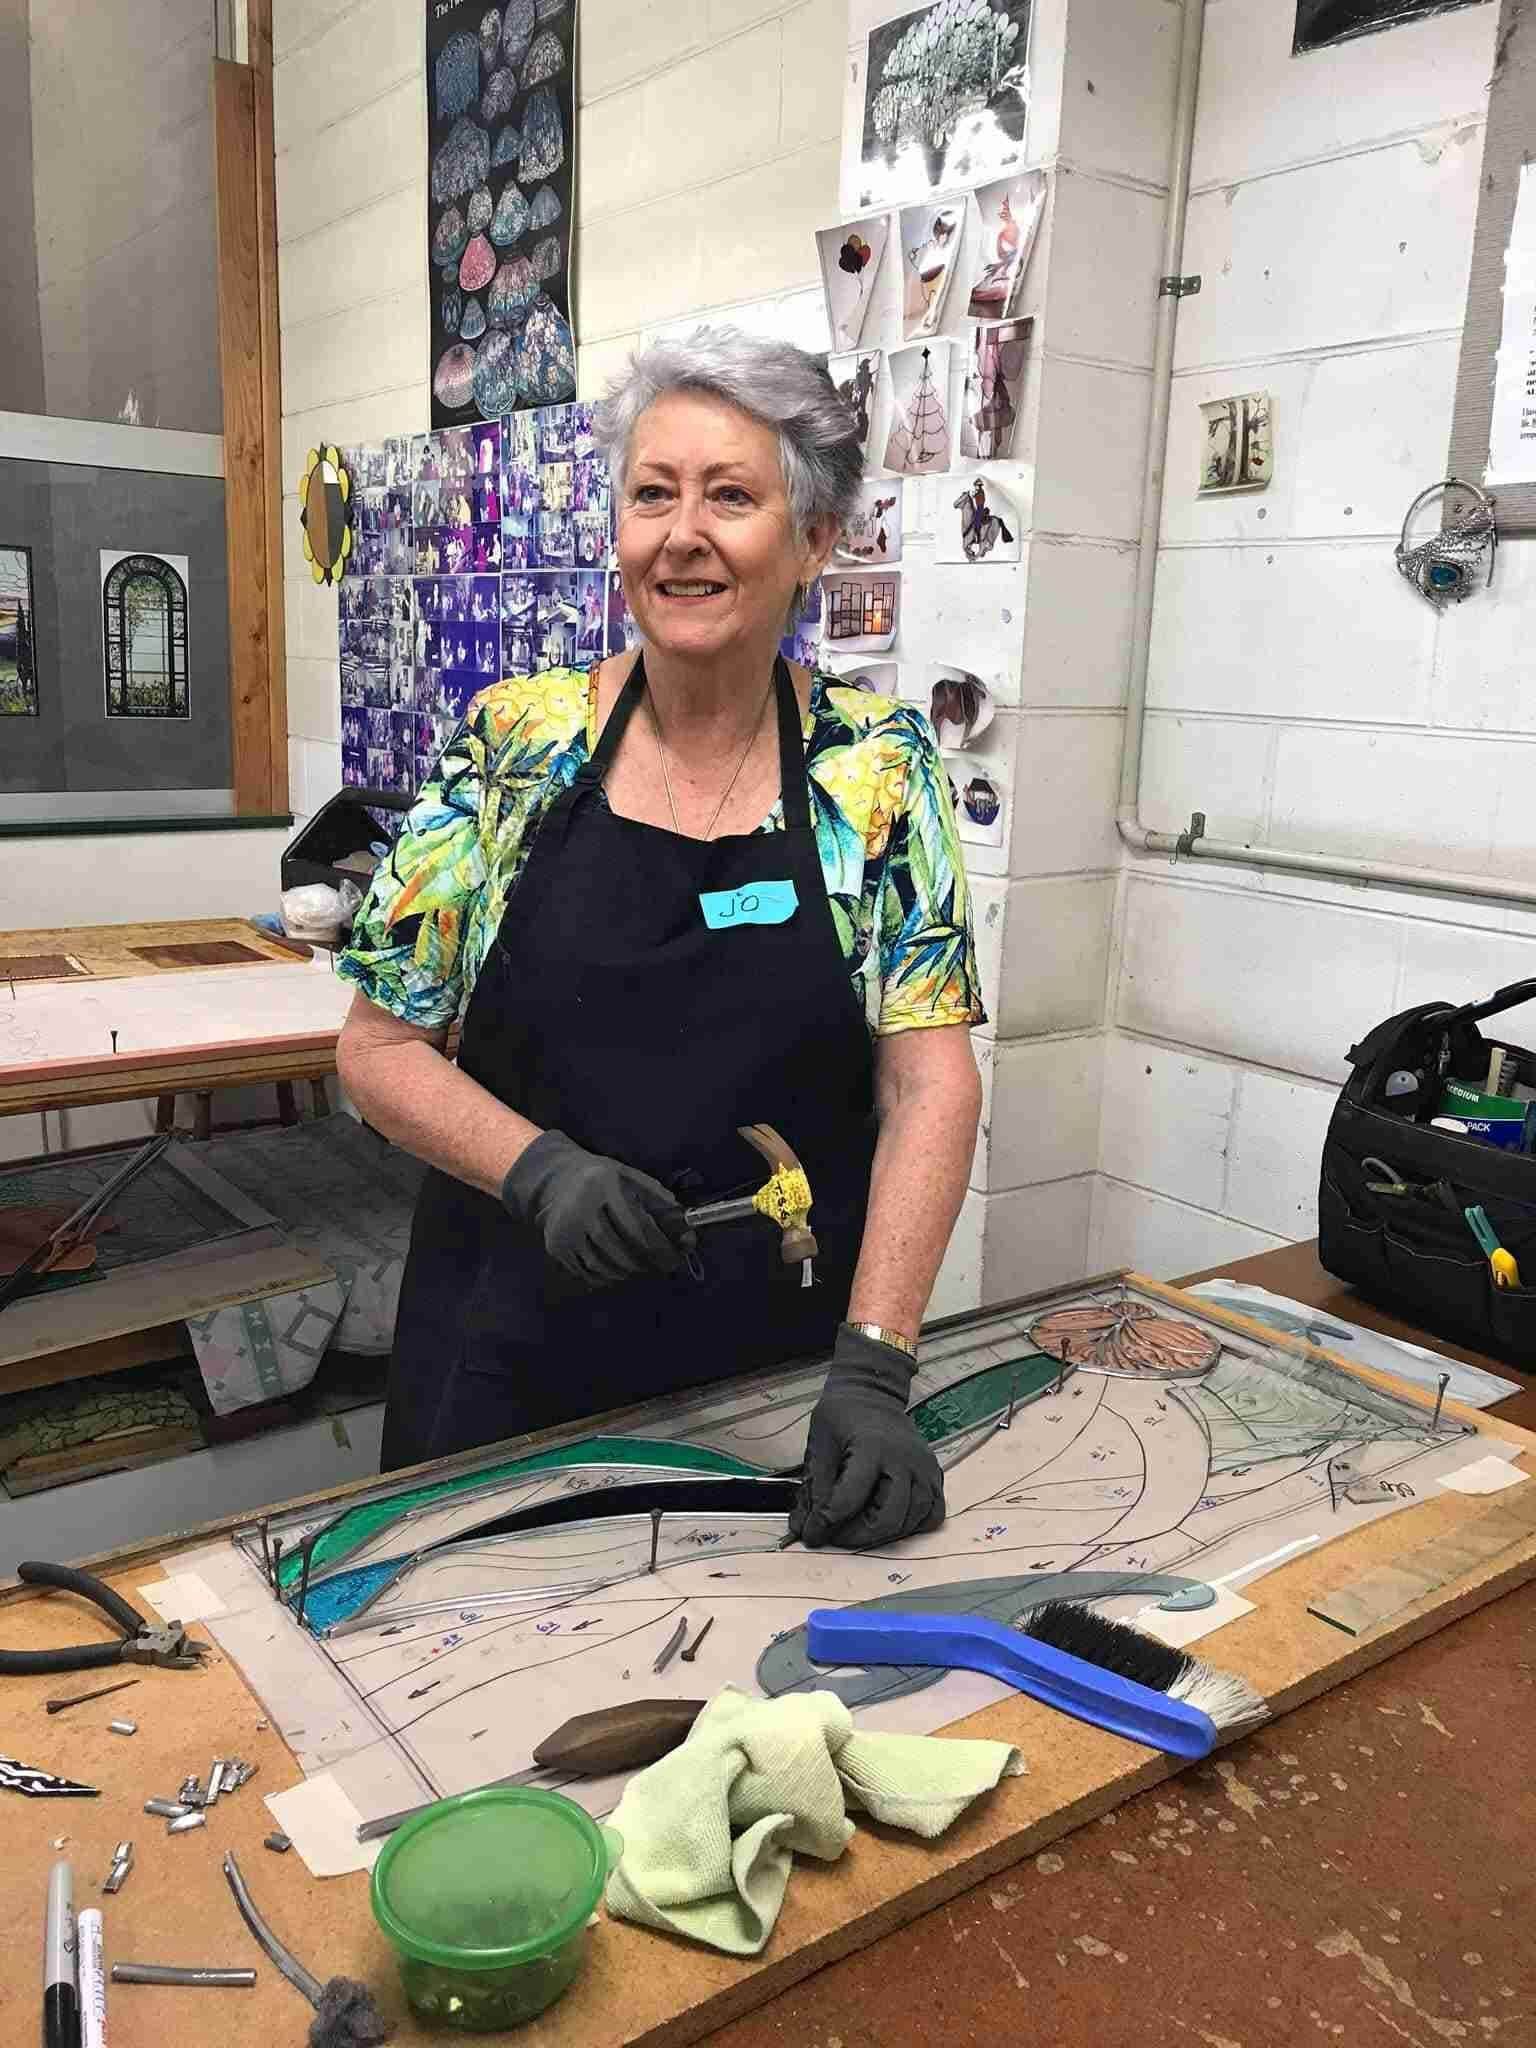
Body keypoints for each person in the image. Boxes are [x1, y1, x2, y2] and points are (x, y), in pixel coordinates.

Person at [335, 326, 984, 1551]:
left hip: (772, 1383)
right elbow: (377, 1047)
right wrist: (541, 1170)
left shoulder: (877, 768)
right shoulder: (511, 745)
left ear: (814, 541)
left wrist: (878, 1365)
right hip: (503, 1360)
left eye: (731, 497)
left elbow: (930, 1078)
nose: (682, 534)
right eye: (652, 494)